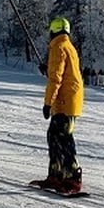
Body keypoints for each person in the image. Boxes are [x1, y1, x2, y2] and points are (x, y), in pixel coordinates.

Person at [31, 16, 84, 194]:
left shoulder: (58, 47)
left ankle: (72, 177)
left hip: (64, 102)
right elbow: (62, 73)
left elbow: (56, 79)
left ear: (53, 31)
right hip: (70, 101)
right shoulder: (68, 46)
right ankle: (57, 175)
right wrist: (48, 69)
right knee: (54, 136)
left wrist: (48, 103)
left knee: (63, 139)